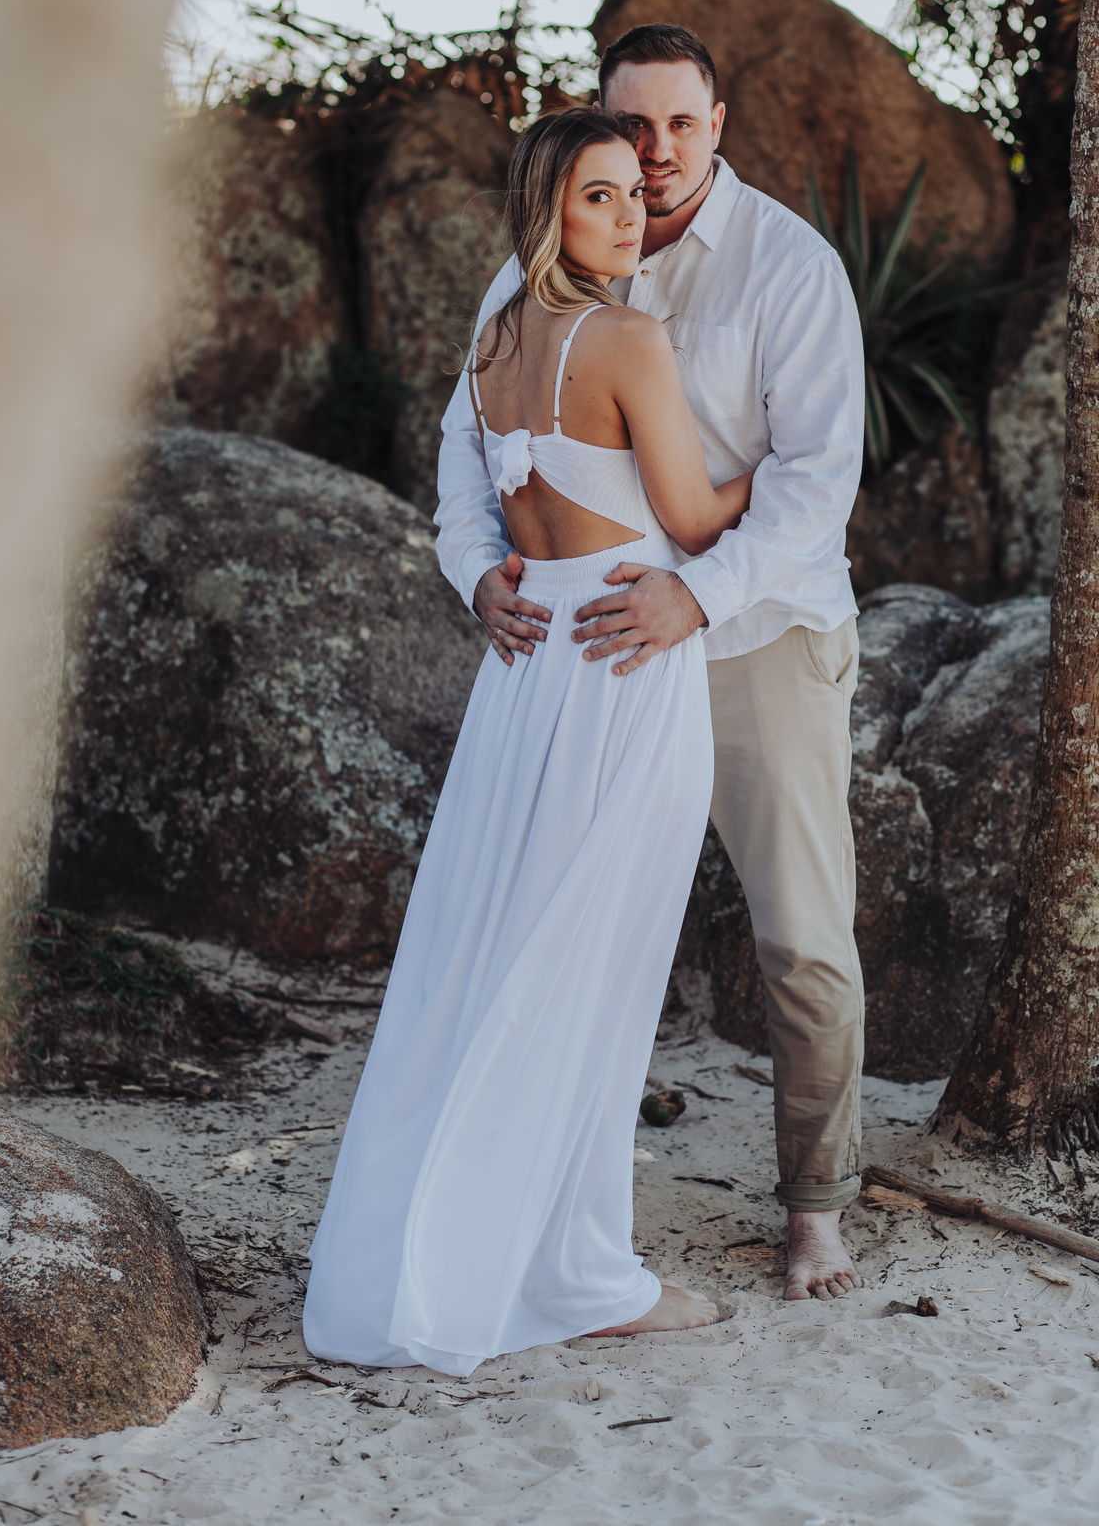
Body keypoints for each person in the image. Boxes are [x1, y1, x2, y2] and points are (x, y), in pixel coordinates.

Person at [302, 108, 756, 1376]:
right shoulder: (627, 339)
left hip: (528, 667)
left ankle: (469, 1246)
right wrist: (779, 464)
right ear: (547, 208)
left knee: (490, 953)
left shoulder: (498, 338)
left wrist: (478, 577)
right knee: (595, 970)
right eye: (598, 196)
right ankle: (577, 1271)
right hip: (623, 671)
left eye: (634, 196)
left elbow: (492, 505)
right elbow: (691, 520)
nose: (628, 216)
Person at [434, 22, 867, 1303]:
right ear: (602, 124)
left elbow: (816, 481)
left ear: (717, 126)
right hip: (590, 650)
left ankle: (815, 1207)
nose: (659, 151)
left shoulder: (792, 267)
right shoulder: (535, 270)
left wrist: (698, 592)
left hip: (756, 634)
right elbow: (467, 445)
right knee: (553, 926)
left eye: (682, 124)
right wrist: (477, 568)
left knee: (801, 939)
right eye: (635, 127)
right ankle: (535, 1203)